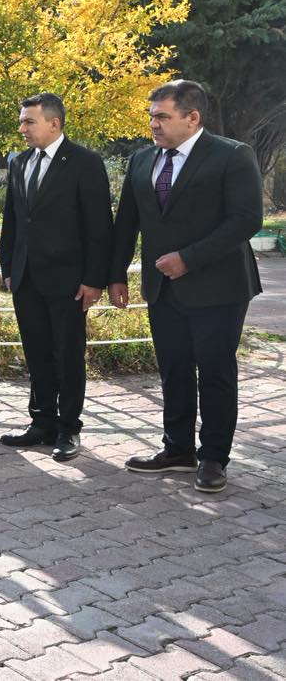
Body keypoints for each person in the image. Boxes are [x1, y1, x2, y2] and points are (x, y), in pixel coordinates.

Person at [108, 79, 263, 493]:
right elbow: (127, 223)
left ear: (192, 117)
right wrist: (116, 273)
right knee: (173, 369)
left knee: (214, 372)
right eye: (151, 116)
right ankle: (177, 449)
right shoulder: (142, 160)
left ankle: (213, 457)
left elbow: (246, 220)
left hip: (219, 287)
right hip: (162, 289)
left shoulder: (232, 155)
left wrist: (188, 259)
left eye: (163, 116)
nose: (154, 123)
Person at [0, 93, 113, 462]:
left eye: (29, 122)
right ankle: (42, 422)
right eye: (22, 121)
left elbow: (100, 228)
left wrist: (95, 279)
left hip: (69, 281)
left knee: (67, 355)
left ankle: (68, 428)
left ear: (54, 123)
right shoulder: (19, 162)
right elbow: (13, 223)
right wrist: (9, 270)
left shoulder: (85, 162)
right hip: (27, 279)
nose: (22, 129)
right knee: (37, 353)